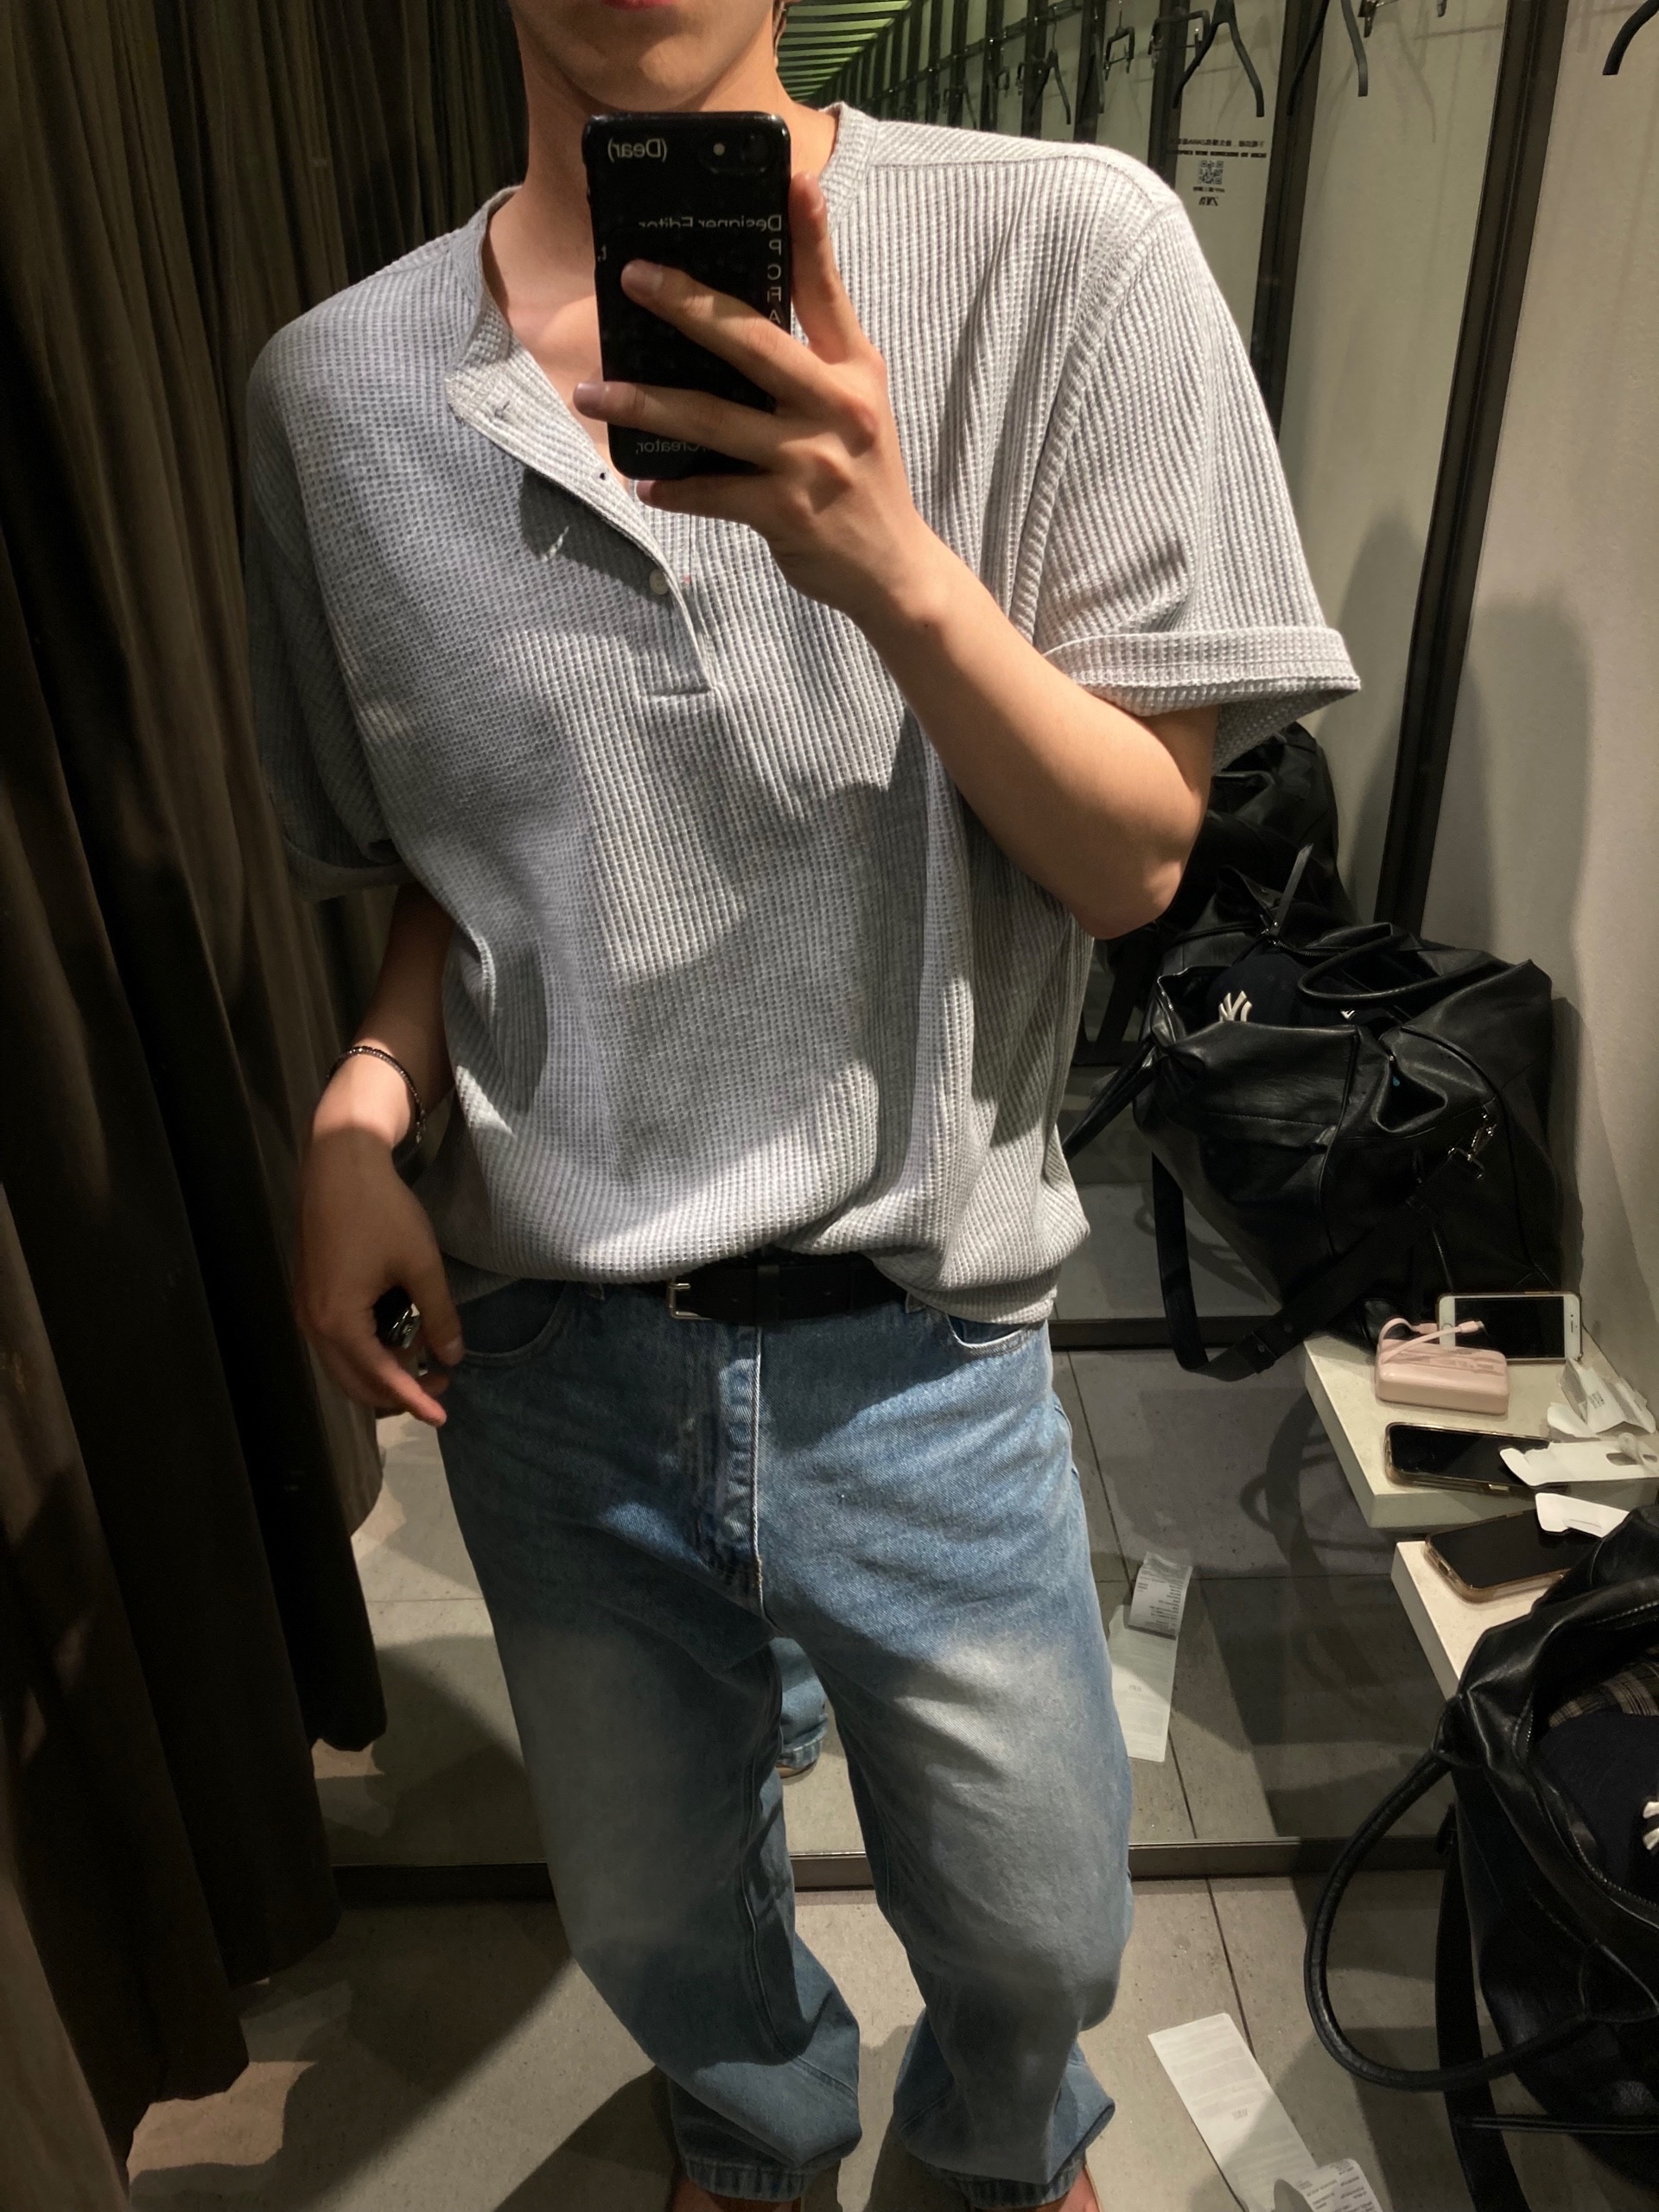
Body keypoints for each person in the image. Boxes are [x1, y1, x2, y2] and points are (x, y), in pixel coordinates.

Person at [247, 0, 1358, 2203]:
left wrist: (886, 556)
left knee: (1042, 1926)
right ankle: (754, 2129)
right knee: (652, 1907)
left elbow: (1134, 855)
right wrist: (367, 1093)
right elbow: (473, 852)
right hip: (555, 1341)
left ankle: (997, 2140)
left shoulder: (1070, 252)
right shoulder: (339, 393)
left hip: (922, 1335)